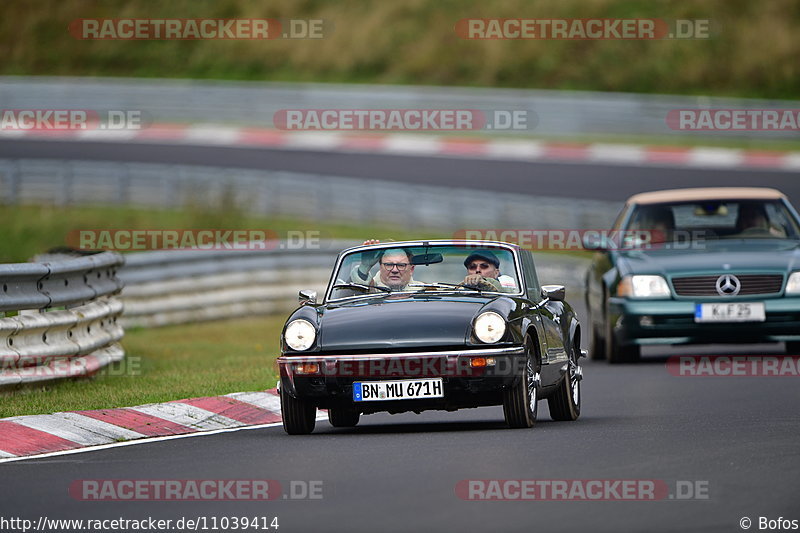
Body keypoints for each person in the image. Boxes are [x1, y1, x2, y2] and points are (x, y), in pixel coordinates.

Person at [349, 246, 418, 291]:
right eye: (388, 265)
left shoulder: (423, 291)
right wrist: (365, 266)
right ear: (380, 267)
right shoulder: (368, 290)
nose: (394, 270)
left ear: (411, 269)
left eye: (401, 265)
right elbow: (347, 296)